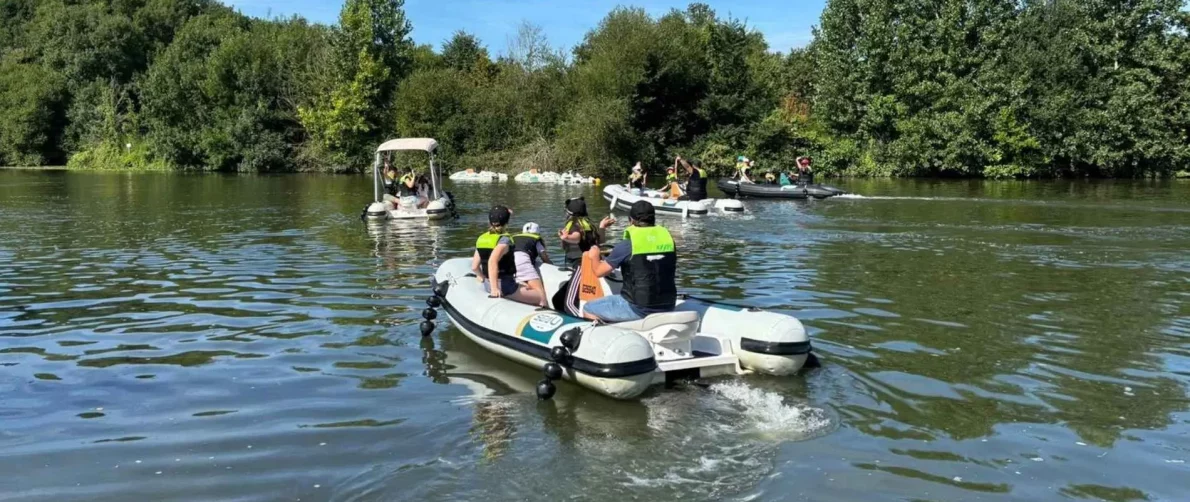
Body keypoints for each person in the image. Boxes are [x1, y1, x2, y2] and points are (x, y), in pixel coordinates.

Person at [581, 201, 677, 323]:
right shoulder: (669, 241)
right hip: (668, 304)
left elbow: (599, 272)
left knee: (588, 308)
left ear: (631, 220)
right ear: (653, 219)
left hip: (639, 308)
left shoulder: (627, 245)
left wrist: (594, 255)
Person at [472, 206, 542, 306]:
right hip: (505, 286)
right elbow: (492, 261)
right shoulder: (504, 240)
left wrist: (482, 277)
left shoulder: (482, 238)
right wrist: (494, 289)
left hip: (487, 284)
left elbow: (474, 266)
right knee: (540, 296)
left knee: (524, 285)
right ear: (506, 223)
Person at [557, 197, 614, 269]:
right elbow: (601, 241)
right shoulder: (588, 224)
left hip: (579, 262)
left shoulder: (573, 224)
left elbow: (577, 237)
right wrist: (602, 227)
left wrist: (567, 237)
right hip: (593, 260)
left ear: (569, 213)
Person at [512, 222, 552, 307]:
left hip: (509, 262)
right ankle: (544, 307)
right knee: (540, 292)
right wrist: (550, 264)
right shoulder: (535, 239)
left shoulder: (514, 237)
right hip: (522, 262)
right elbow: (543, 256)